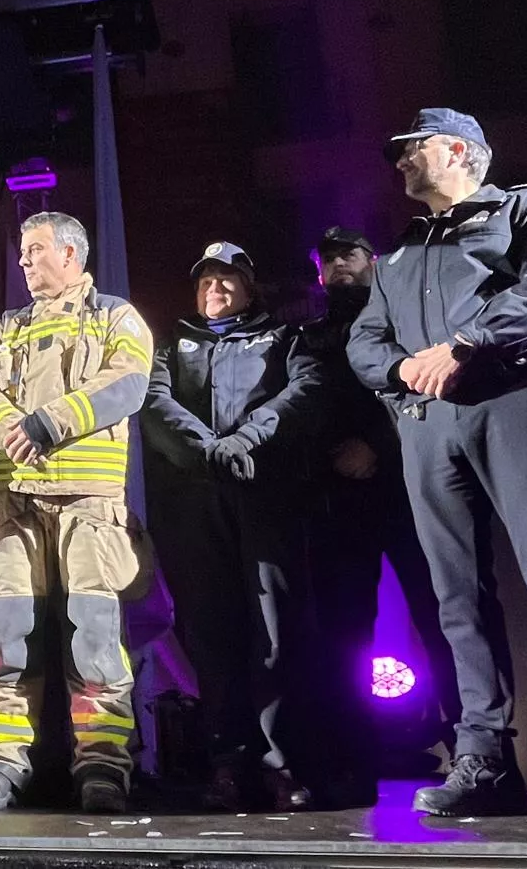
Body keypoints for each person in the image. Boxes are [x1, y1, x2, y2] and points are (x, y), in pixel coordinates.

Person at [348, 108, 527, 816]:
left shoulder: (523, 207)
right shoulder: (395, 259)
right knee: (456, 599)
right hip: (427, 428)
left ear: (456, 149)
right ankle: (484, 760)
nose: (398, 165)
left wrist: (465, 344)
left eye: (410, 150)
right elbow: (365, 343)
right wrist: (404, 374)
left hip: (512, 401)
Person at [0, 212, 152, 814]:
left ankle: (102, 764)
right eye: (22, 249)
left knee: (95, 639)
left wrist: (49, 422)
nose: (24, 260)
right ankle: (1, 762)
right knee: (7, 637)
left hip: (91, 504)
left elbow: (129, 382)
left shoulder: (115, 316)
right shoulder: (3, 329)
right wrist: (8, 428)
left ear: (71, 255)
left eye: (36, 249)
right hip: (13, 503)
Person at [141, 242, 327, 811]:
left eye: (226, 281)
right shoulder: (173, 344)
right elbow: (153, 401)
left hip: (266, 499)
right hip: (196, 507)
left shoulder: (284, 337)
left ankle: (279, 762)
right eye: (205, 282)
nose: (214, 290)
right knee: (210, 635)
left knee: (274, 633)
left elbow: (308, 389)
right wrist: (208, 451)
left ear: (249, 287)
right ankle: (227, 764)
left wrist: (249, 437)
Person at [303, 227, 460, 804]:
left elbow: (424, 387)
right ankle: (353, 762)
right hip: (337, 501)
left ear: (373, 261)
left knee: (444, 615)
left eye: (349, 255)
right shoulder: (312, 335)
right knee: (344, 632)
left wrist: (374, 444)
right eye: (327, 261)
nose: (338, 267)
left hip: (411, 487)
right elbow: (305, 403)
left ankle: (473, 749)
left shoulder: (407, 317)